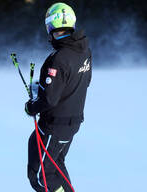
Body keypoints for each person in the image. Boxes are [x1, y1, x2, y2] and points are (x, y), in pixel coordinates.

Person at [25, 2, 92, 192]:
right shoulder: (85, 51)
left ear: (50, 27)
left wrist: (31, 107)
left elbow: (50, 100)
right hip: (72, 123)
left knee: (39, 175)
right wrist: (44, 89)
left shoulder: (58, 58)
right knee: (55, 167)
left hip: (55, 126)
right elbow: (81, 82)